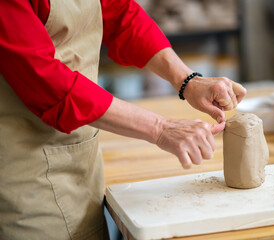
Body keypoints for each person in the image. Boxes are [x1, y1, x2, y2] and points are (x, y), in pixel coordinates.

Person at [0, 0, 246, 239]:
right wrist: (160, 128)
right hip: (23, 167)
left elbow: (120, 14)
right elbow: (46, 81)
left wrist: (187, 80)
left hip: (76, 150)